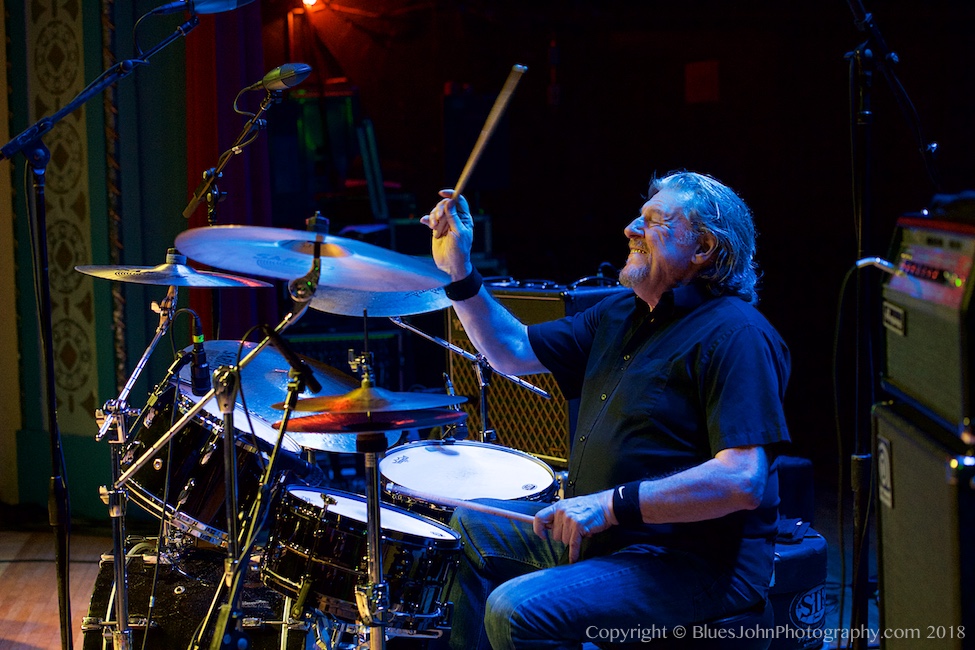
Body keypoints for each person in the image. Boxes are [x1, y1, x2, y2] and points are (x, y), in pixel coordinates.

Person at [419, 170, 791, 650]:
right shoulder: (619, 313)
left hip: (689, 562)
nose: (631, 229)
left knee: (515, 609)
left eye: (654, 221)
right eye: (638, 217)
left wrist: (610, 505)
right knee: (468, 526)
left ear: (703, 249)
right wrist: (459, 272)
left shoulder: (736, 334)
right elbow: (510, 349)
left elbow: (742, 480)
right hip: (611, 543)